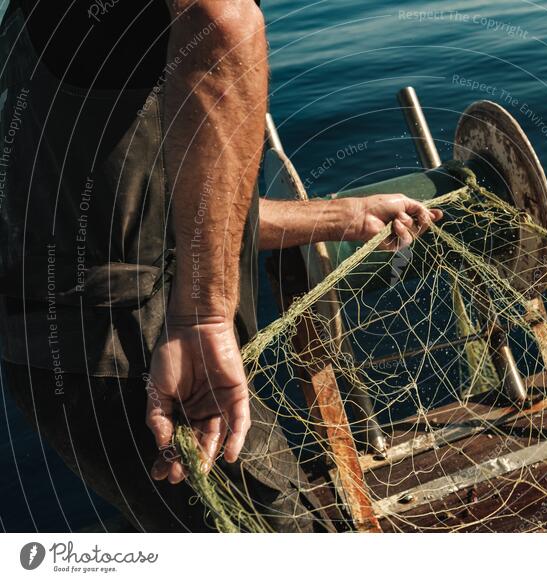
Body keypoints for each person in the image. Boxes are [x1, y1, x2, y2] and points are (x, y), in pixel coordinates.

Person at [0, 0, 441, 531]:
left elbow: (153, 216)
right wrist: (206, 317)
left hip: (98, 360)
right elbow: (221, 24)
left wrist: (338, 216)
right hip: (129, 362)